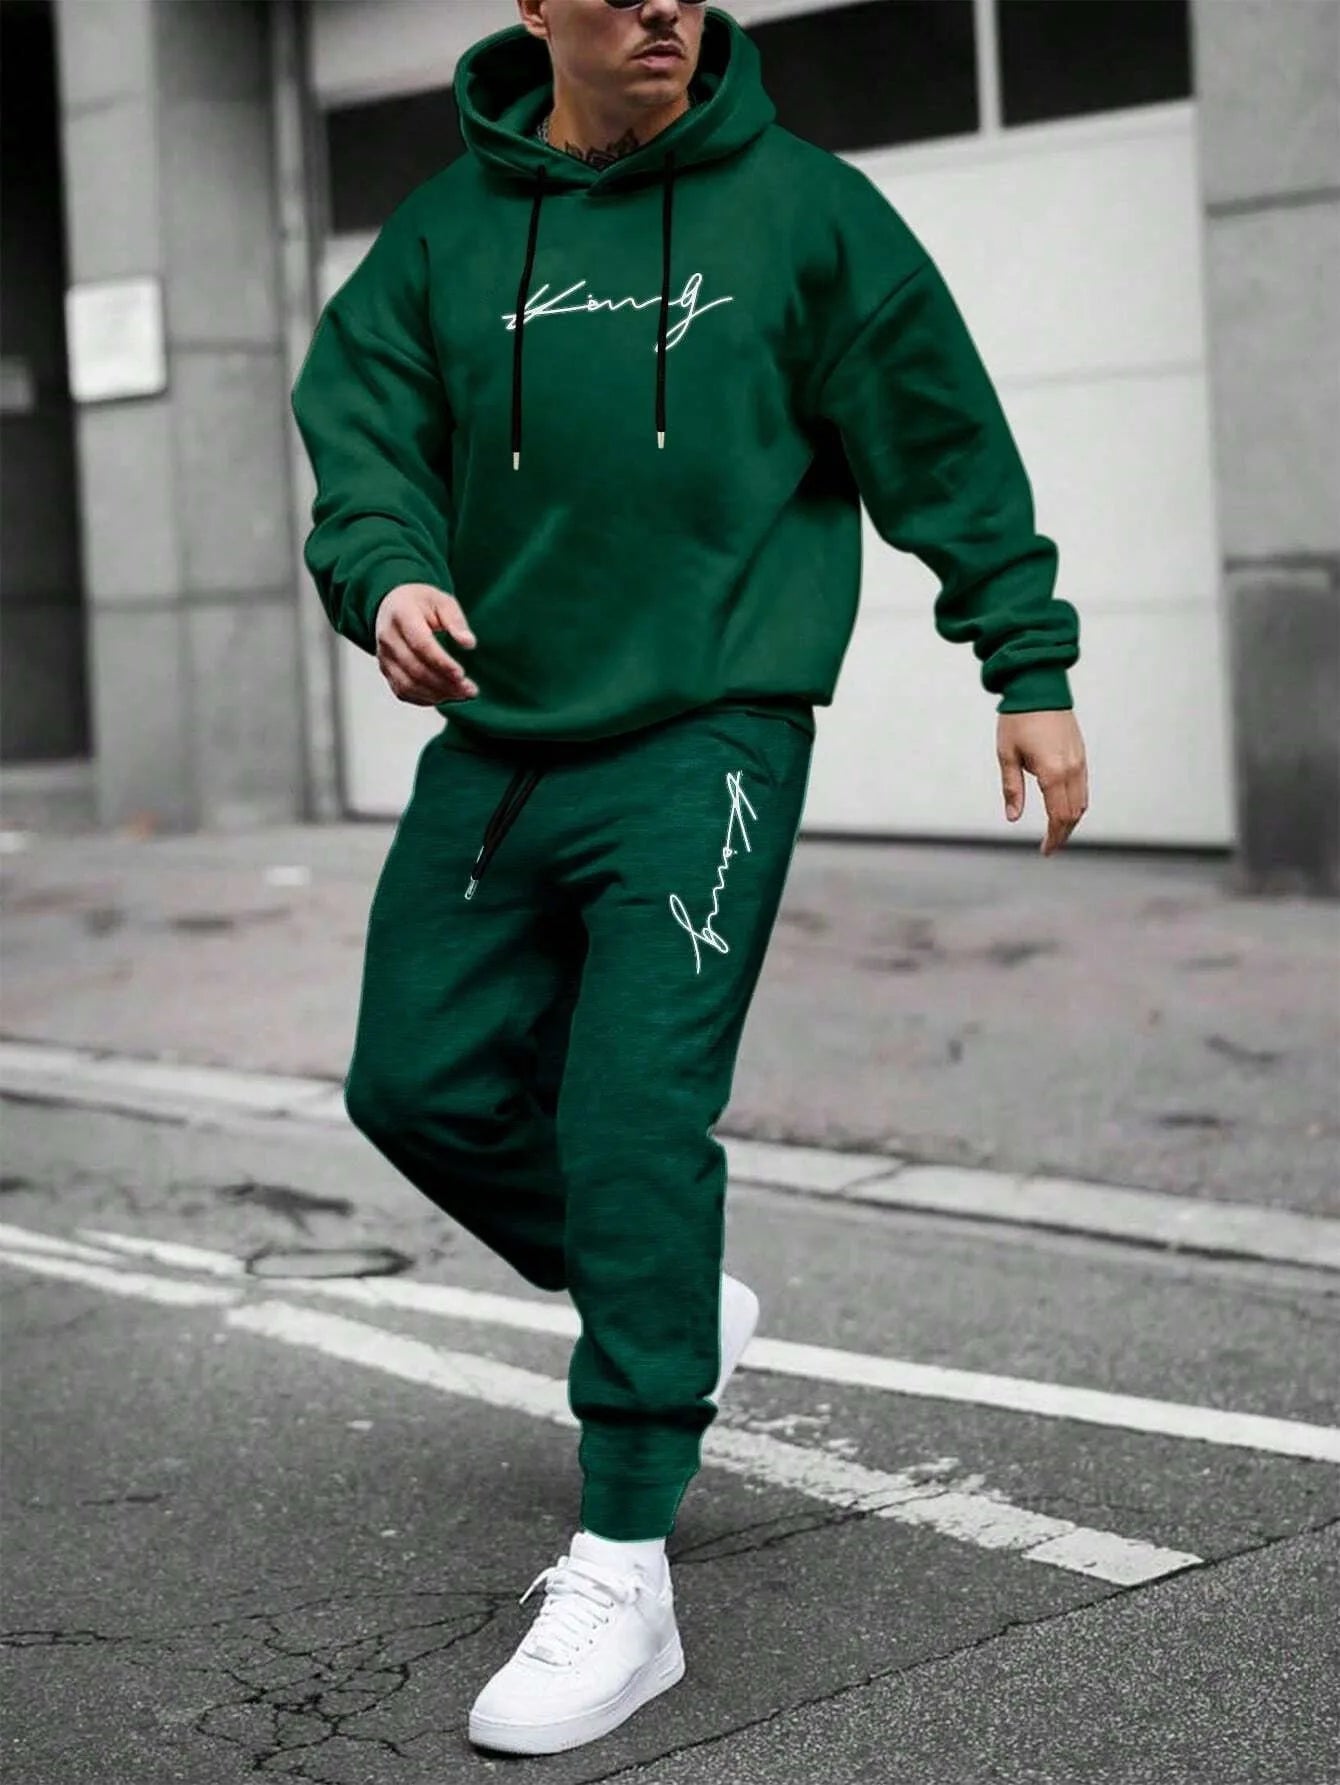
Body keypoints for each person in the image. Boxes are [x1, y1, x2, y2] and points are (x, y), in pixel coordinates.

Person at [290, 0, 1090, 1757]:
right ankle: (669, 1294)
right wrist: (390, 575)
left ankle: (626, 1564)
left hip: (709, 731)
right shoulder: (446, 231)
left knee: (634, 1116)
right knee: (411, 1081)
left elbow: (939, 435)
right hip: (502, 733)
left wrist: (1023, 661)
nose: (665, 5)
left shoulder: (802, 210)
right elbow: (364, 434)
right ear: (533, 6)